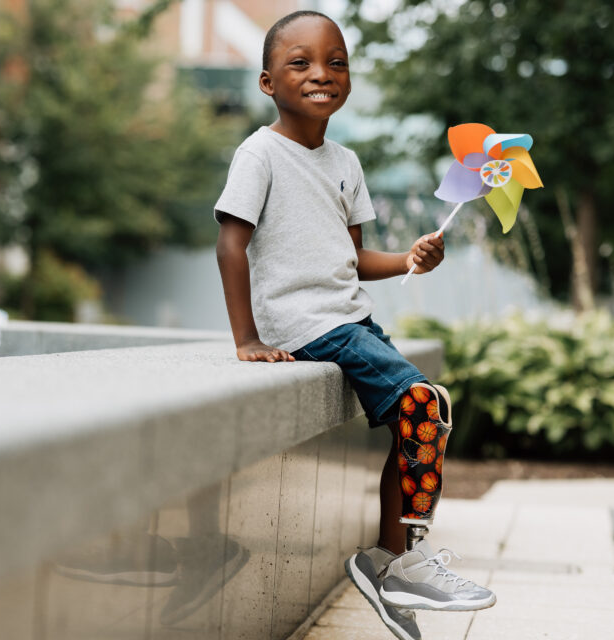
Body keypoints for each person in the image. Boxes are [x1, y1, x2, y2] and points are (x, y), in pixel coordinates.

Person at [213, 11, 496, 640]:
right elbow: (231, 245)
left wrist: (410, 260)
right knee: (423, 404)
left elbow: (353, 258)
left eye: (335, 62)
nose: (322, 74)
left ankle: (389, 561)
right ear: (267, 82)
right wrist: (248, 340)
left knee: (423, 415)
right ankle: (403, 565)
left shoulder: (345, 161)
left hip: (350, 317)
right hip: (307, 324)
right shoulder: (259, 153)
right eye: (301, 63)